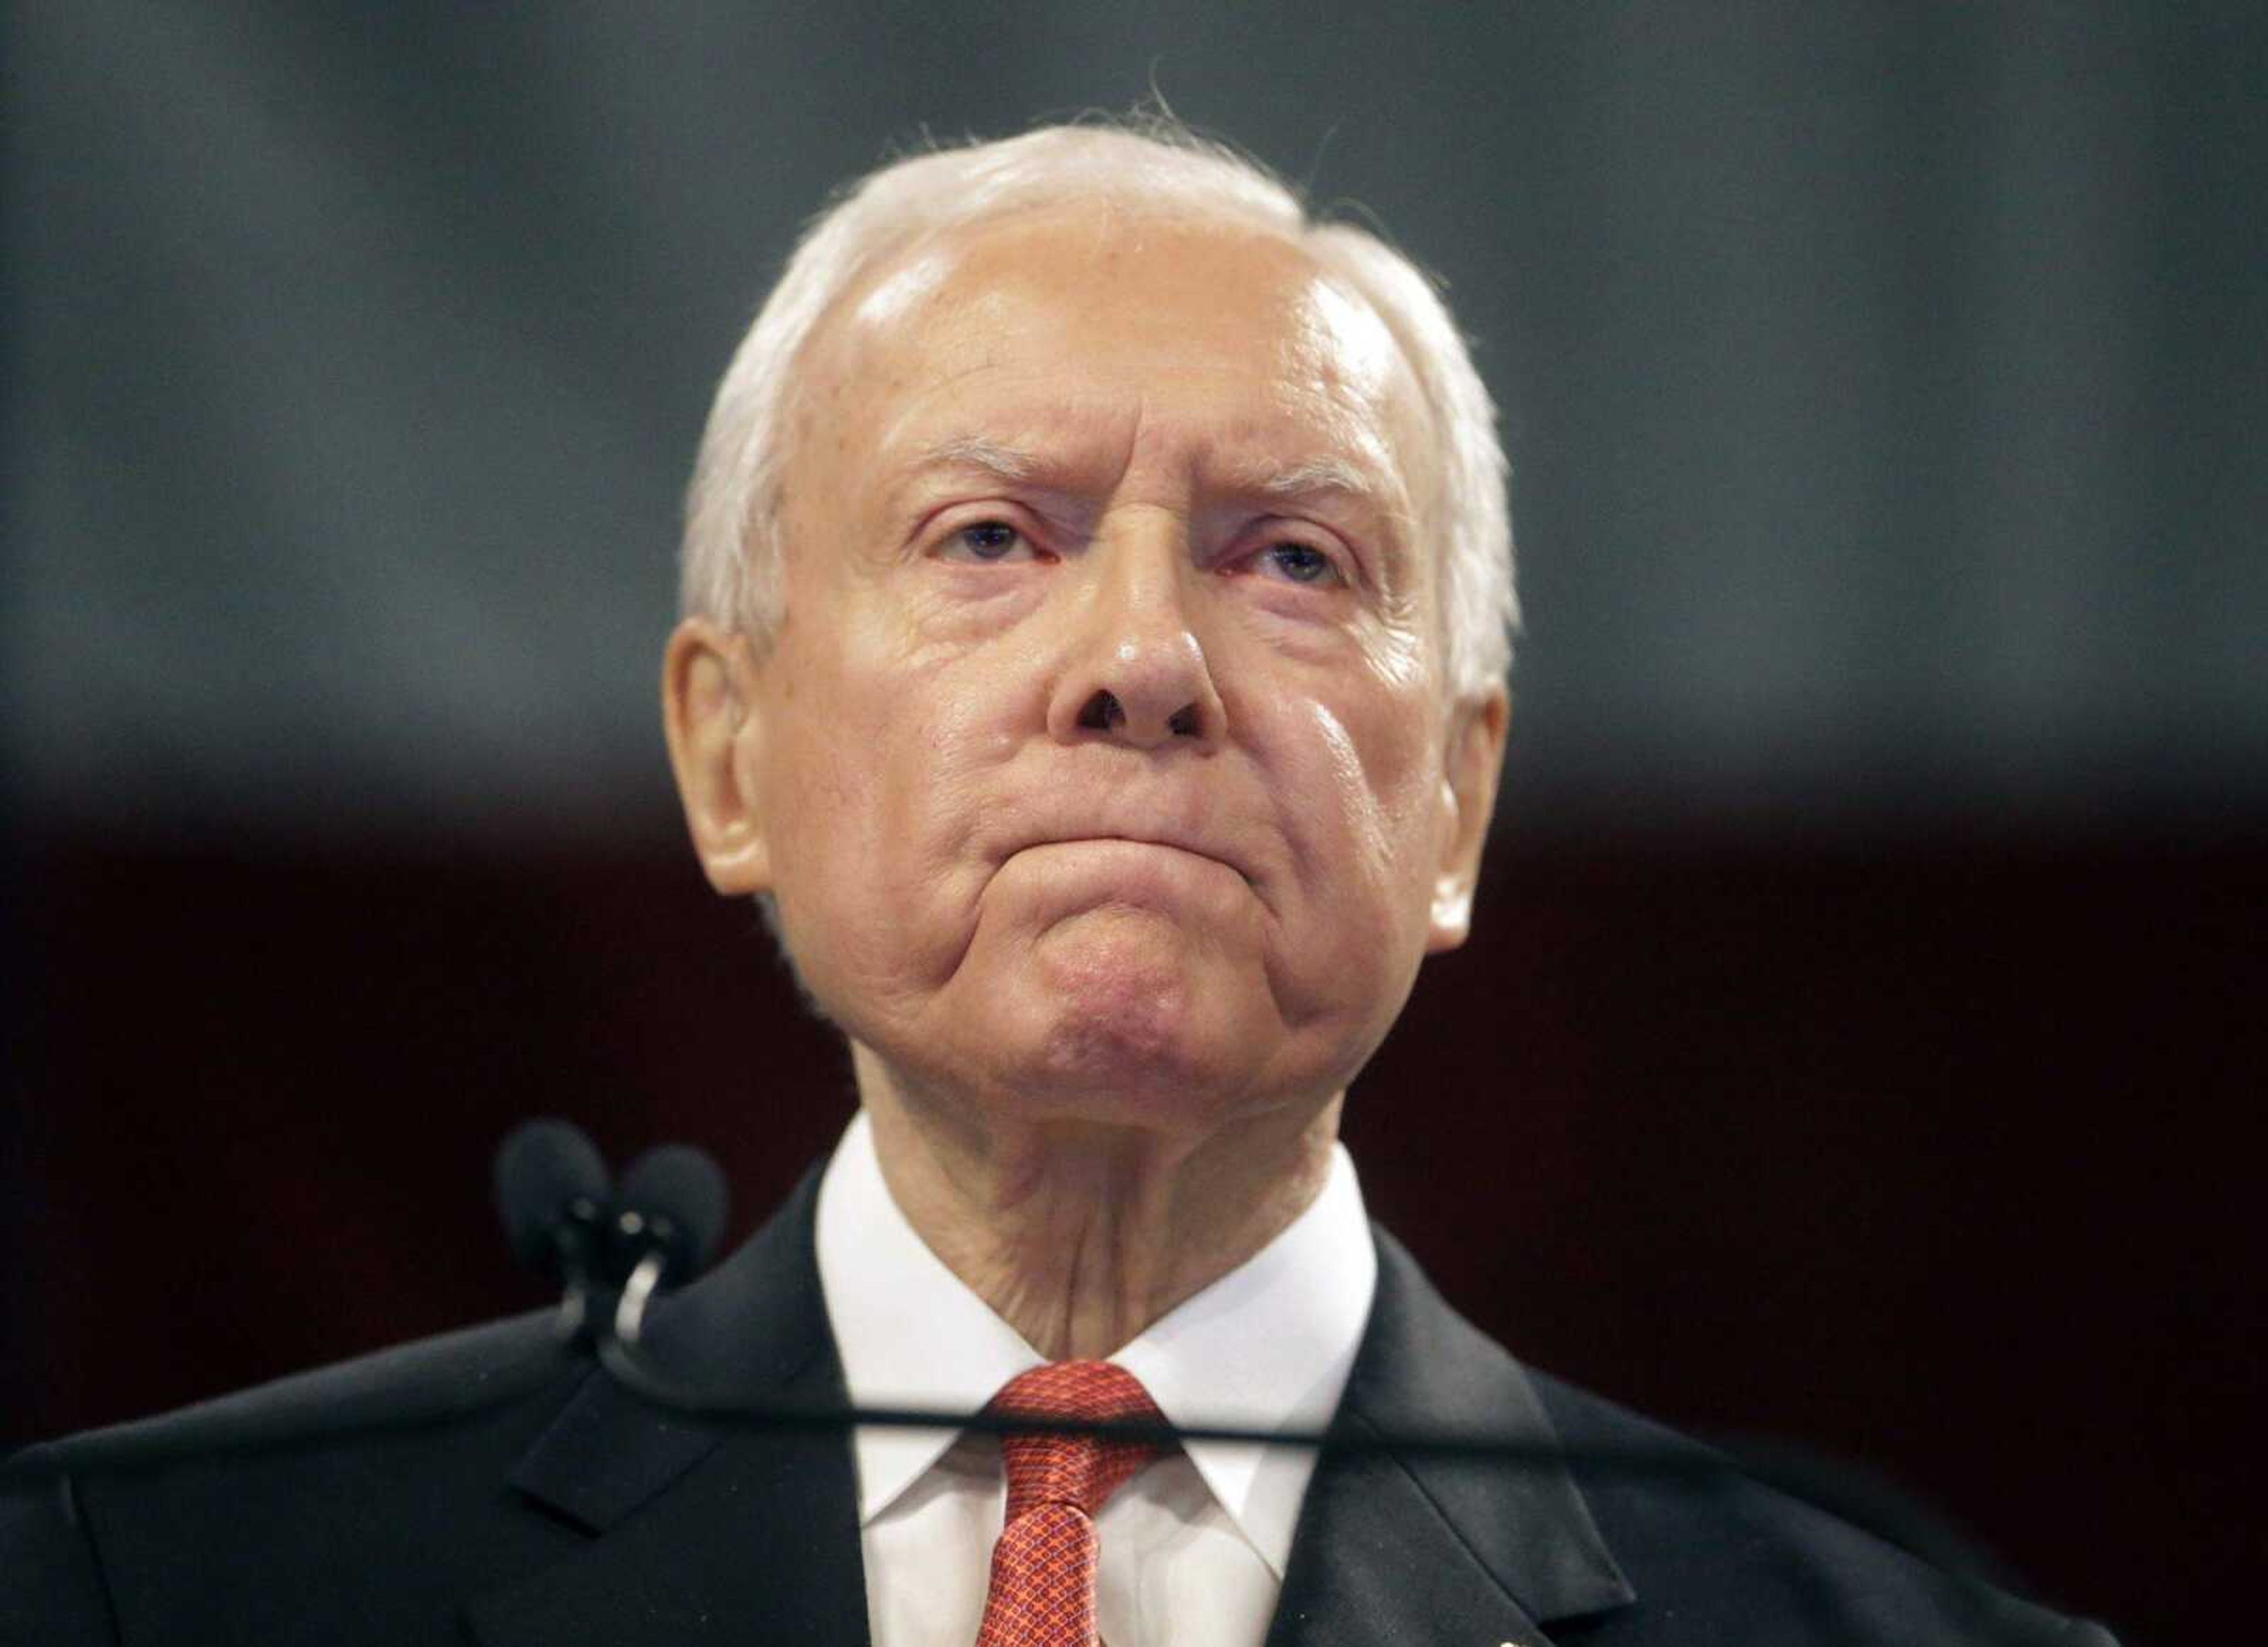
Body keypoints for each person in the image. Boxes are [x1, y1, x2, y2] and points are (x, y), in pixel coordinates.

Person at [2, 120, 2113, 1646]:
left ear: (1458, 806)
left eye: (1293, 559)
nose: (1144, 664)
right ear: (730, 754)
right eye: (991, 537)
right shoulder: (162, 1583)